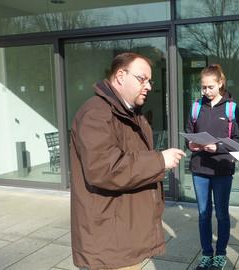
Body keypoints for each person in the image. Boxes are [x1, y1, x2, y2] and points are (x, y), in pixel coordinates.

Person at [69, 52, 186, 270]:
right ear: (121, 76)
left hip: (124, 234)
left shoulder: (129, 113)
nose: (149, 86)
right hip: (111, 241)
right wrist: (159, 160)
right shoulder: (97, 113)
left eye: (150, 80)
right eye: (143, 79)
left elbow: (127, 159)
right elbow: (104, 169)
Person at [185, 64, 239, 270]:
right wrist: (190, 144)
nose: (206, 91)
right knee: (203, 214)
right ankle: (207, 254)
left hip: (222, 169)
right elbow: (188, 132)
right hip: (199, 168)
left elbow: (238, 140)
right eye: (203, 87)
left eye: (210, 87)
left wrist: (217, 146)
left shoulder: (231, 108)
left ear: (221, 84)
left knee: (221, 214)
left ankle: (220, 253)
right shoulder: (195, 107)